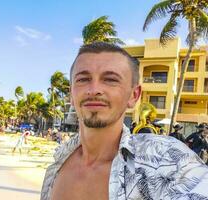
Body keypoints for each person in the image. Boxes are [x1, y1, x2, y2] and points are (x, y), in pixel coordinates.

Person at [41, 42, 208, 200]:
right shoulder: (57, 167)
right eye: (83, 79)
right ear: (71, 94)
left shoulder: (166, 160)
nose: (94, 90)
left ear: (133, 95)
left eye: (110, 80)